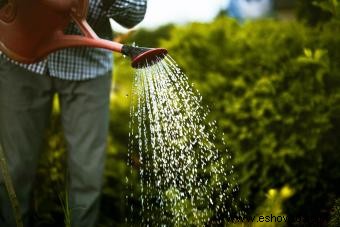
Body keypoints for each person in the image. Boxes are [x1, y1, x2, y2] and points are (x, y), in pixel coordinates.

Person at [0, 0, 147, 226]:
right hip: (19, 55)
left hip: (88, 65)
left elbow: (136, 11)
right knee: (14, 168)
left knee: (87, 174)